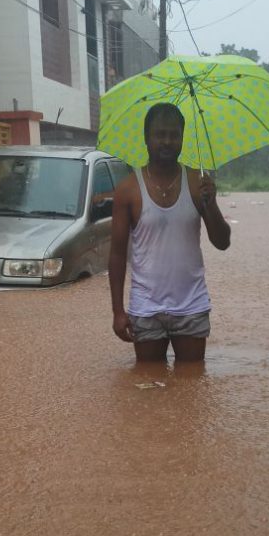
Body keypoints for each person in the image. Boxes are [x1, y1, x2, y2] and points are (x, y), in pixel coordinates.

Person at [109, 102, 231, 363]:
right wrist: (118, 311)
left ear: (182, 138)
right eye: (160, 134)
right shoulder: (128, 189)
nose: (167, 141)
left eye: (174, 135)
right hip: (145, 306)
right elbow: (117, 254)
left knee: (191, 388)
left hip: (191, 305)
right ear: (146, 138)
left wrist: (211, 205)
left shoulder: (199, 184)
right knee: (148, 387)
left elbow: (222, 242)